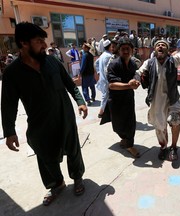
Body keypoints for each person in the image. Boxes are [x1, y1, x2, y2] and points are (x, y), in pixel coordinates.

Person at [1, 22, 88, 206]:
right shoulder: (12, 72)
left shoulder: (52, 61)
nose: (44, 45)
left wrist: (80, 102)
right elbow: (8, 104)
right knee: (45, 154)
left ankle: (77, 177)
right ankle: (56, 184)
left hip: (64, 115)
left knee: (73, 149)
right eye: (39, 41)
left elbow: (70, 84)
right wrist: (9, 131)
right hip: (39, 122)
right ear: (24, 43)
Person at [137, 40, 180, 161]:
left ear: (167, 50)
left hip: (172, 99)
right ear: (155, 49)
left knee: (175, 120)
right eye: (158, 45)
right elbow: (138, 72)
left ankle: (173, 148)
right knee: (159, 127)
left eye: (163, 45)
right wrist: (135, 79)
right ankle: (163, 147)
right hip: (157, 100)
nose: (160, 46)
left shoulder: (174, 60)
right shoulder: (149, 63)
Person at [102, 37, 141, 158]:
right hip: (116, 100)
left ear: (132, 51)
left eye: (128, 49)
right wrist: (129, 85)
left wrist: (136, 82)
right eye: (123, 49)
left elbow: (137, 76)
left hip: (129, 99)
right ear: (119, 51)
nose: (125, 51)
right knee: (117, 125)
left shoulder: (133, 64)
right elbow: (112, 85)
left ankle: (130, 145)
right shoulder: (114, 64)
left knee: (130, 124)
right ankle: (124, 138)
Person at [95, 39, 113, 117]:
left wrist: (99, 72)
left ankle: (107, 112)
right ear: (109, 47)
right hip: (106, 80)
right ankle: (101, 113)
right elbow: (107, 70)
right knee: (105, 97)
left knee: (106, 96)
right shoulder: (109, 56)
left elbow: (96, 63)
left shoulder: (102, 55)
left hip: (102, 79)